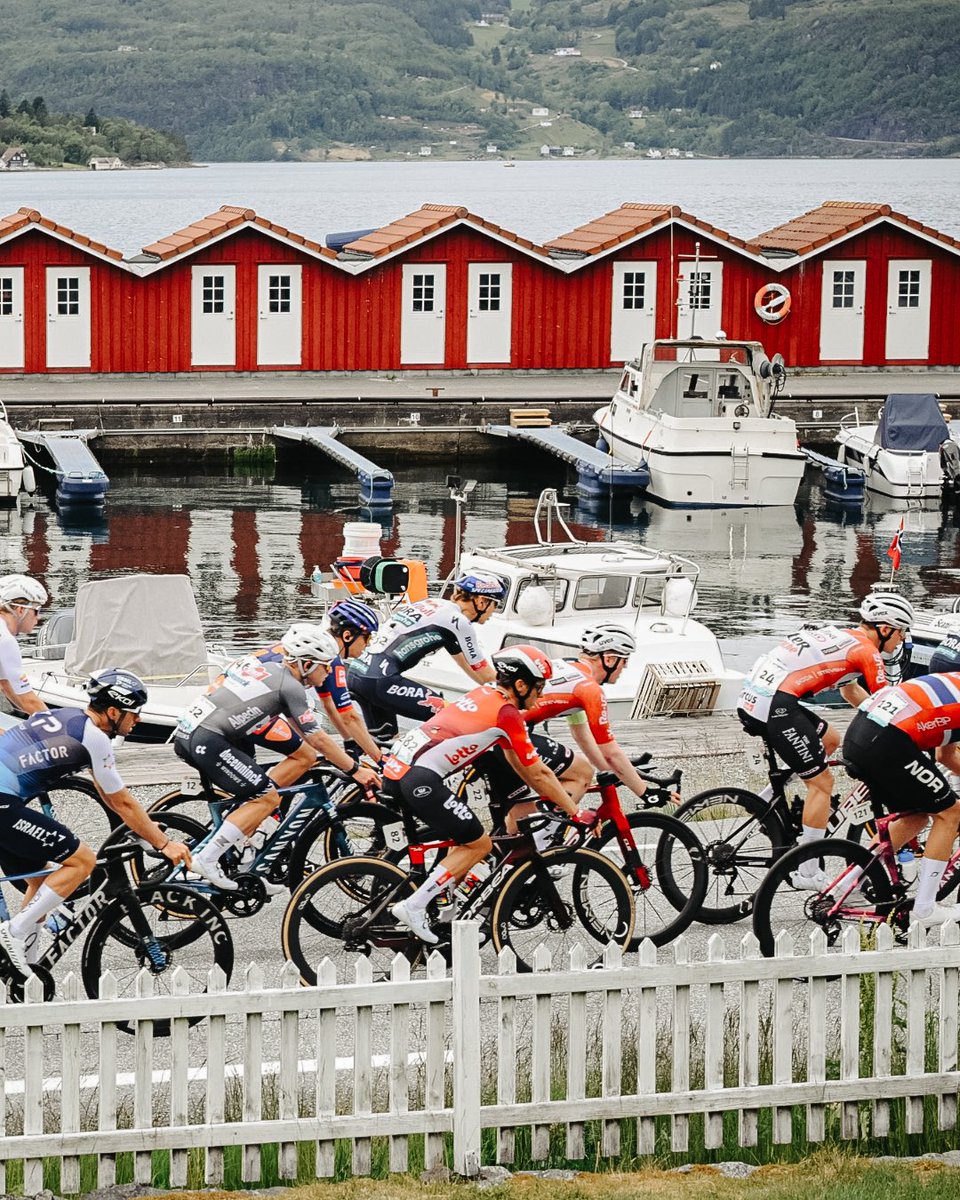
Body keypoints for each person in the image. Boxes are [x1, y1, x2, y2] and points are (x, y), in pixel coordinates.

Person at [382, 648, 587, 945]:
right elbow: (540, 774)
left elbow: (521, 764)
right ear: (520, 685)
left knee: (461, 836)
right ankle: (413, 906)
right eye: (539, 687)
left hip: (399, 771)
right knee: (480, 843)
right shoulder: (507, 713)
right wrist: (574, 812)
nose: (540, 696)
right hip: (419, 779)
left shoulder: (484, 693)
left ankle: (444, 902)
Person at [0, 669, 193, 977]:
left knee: (39, 884)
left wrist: (145, 833)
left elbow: (110, 796)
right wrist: (164, 844)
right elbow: (122, 801)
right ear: (113, 711)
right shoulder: (95, 737)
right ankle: (14, 931)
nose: (138, 720)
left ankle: (24, 972)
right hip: (3, 802)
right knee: (82, 861)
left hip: (6, 800)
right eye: (134, 713)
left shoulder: (68, 717)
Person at [176, 623, 377, 891]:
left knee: (290, 768)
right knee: (267, 797)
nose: (328, 671)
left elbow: (306, 738)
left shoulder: (274, 671)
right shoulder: (290, 686)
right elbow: (317, 737)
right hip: (208, 739)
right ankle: (207, 858)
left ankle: (251, 864)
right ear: (306, 664)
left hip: (196, 732)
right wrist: (355, 769)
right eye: (324, 666)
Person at [737, 591, 913, 888]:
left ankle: (765, 801)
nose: (900, 642)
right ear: (885, 629)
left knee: (830, 740)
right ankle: (807, 872)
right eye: (901, 634)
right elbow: (885, 702)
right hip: (776, 705)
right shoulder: (867, 651)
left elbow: (851, 692)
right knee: (822, 784)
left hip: (759, 697)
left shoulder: (844, 637)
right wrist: (905, 733)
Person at [503, 624, 678, 834]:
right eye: (625, 661)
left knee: (516, 810)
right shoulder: (589, 688)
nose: (625, 668)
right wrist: (644, 792)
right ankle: (544, 841)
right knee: (581, 773)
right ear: (610, 659)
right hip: (511, 734)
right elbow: (611, 752)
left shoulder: (571, 670)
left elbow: (582, 736)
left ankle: (515, 855)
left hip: (498, 732)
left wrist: (615, 770)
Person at [219, 608, 384, 790]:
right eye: (367, 638)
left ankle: (258, 804)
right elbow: (349, 717)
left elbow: (329, 705)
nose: (367, 646)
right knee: (306, 754)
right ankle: (262, 802)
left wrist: (349, 740)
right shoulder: (328, 658)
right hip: (243, 711)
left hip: (226, 701)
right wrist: (381, 760)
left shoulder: (312, 646)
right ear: (347, 636)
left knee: (258, 774)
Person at [843, 671, 960, 926]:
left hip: (860, 734)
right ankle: (926, 909)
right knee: (950, 813)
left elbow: (945, 757)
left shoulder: (953, 684)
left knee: (915, 816)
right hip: (888, 741)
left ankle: (847, 885)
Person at [346, 572, 504, 743]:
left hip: (358, 673)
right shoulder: (458, 621)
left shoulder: (435, 605)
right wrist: (519, 694)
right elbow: (485, 673)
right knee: (455, 720)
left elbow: (470, 668)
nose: (493, 612)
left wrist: (496, 689)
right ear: (482, 601)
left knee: (384, 743)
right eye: (494, 604)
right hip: (381, 680)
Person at [0, 574, 50, 717]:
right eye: (37, 610)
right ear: (20, 610)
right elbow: (28, 700)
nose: (38, 618)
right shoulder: (5, 640)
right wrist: (58, 727)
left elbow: (6, 686)